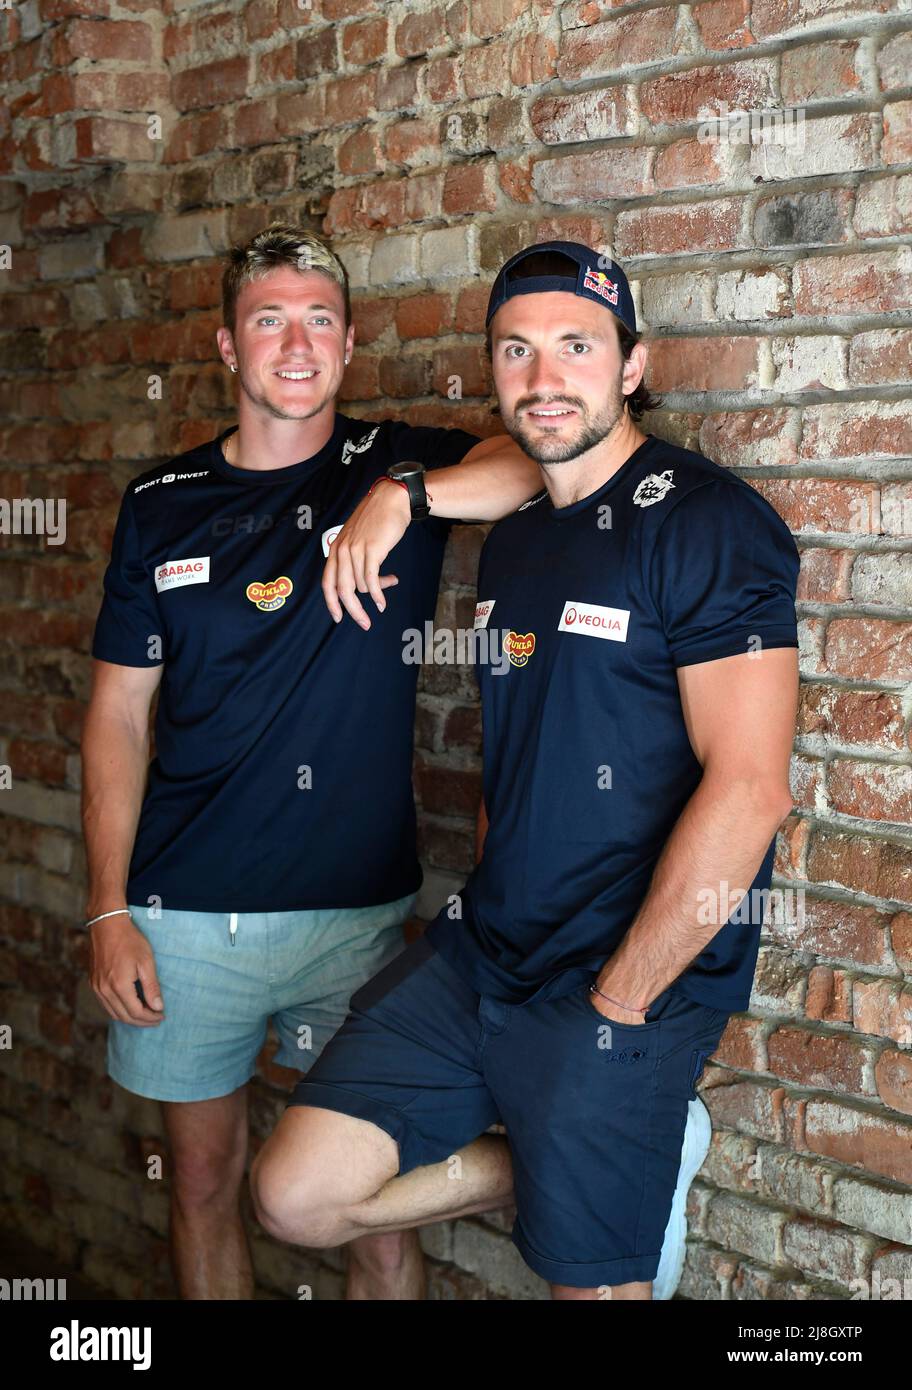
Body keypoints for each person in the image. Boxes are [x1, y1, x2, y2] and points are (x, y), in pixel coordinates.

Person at [251, 240, 801, 1301]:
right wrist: (406, 494)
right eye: (517, 351)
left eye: (576, 347)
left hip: (621, 979)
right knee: (295, 1194)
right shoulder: (513, 534)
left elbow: (752, 788)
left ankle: (617, 1148)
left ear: (633, 365)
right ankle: (583, 1161)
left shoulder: (707, 524)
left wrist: (622, 1001)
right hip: (487, 950)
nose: (545, 379)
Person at [81, 221, 547, 1300]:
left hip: (356, 921)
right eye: (269, 321)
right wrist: (107, 909)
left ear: (347, 343)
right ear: (227, 347)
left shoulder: (399, 464)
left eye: (320, 320)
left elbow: (535, 463)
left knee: (369, 1211)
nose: (296, 344)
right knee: (202, 1179)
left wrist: (402, 496)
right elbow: (115, 716)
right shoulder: (159, 506)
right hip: (182, 918)